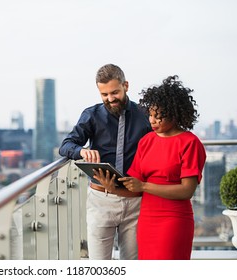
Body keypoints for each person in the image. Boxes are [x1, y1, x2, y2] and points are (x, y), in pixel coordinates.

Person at [94, 75, 206, 260]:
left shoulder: (190, 143)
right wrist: (113, 188)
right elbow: (135, 188)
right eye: (150, 115)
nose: (152, 120)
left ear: (174, 113)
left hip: (174, 220)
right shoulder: (146, 141)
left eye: (158, 116)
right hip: (147, 219)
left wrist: (144, 186)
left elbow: (187, 191)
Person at [59, 64, 151, 260]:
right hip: (101, 200)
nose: (110, 99)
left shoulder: (145, 115)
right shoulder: (91, 115)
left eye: (115, 92)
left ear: (126, 85)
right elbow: (66, 145)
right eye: (104, 94)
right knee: (99, 265)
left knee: (132, 264)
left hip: (136, 200)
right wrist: (81, 151)